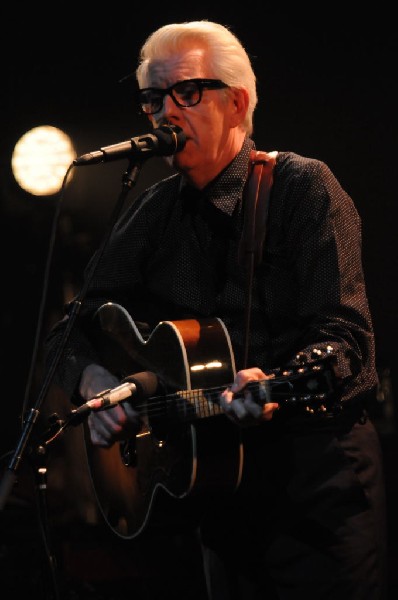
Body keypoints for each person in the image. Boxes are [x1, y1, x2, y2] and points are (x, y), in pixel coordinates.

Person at [44, 20, 387, 600]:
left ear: (238, 103)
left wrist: (279, 380)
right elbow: (70, 330)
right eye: (153, 99)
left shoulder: (303, 188)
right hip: (218, 500)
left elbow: (347, 339)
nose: (164, 114)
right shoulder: (153, 212)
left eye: (187, 92)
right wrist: (96, 382)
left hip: (317, 492)